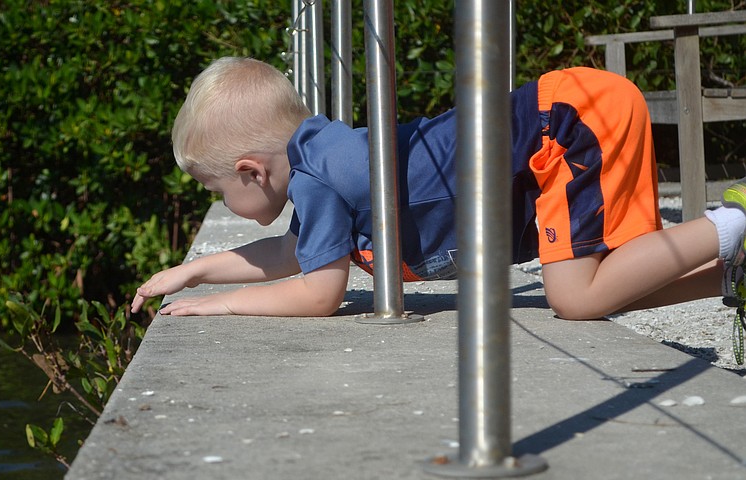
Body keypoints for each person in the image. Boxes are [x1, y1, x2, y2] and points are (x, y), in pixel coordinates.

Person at [131, 57, 746, 339]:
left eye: (216, 191)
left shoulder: (316, 176)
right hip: (571, 114)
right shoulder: (321, 162)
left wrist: (225, 308)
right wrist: (195, 273)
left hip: (566, 123)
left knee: (576, 299)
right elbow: (297, 255)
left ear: (251, 172)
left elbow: (319, 293)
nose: (222, 203)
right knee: (610, 283)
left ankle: (737, 216)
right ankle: (730, 278)